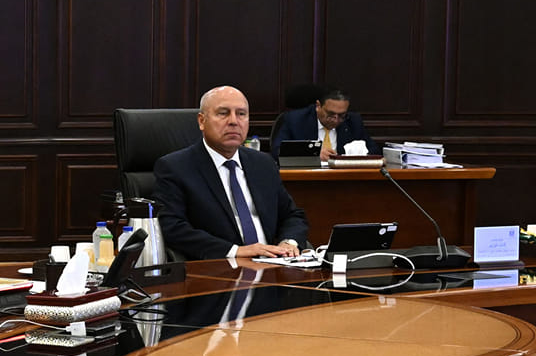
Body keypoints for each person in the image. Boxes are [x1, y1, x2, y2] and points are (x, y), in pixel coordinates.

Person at [152, 86, 310, 260]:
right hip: (218, 267)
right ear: (201, 121)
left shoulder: (263, 163)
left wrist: (289, 243)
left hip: (273, 264)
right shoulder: (176, 167)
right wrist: (235, 251)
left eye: (241, 114)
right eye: (223, 113)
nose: (234, 121)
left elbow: (292, 215)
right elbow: (172, 227)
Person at [270, 86, 371, 159]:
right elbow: (277, 150)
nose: (335, 120)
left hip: (344, 178)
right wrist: (313, 153)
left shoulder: (353, 121)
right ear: (318, 106)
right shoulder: (295, 120)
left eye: (341, 115)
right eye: (331, 114)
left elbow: (373, 151)